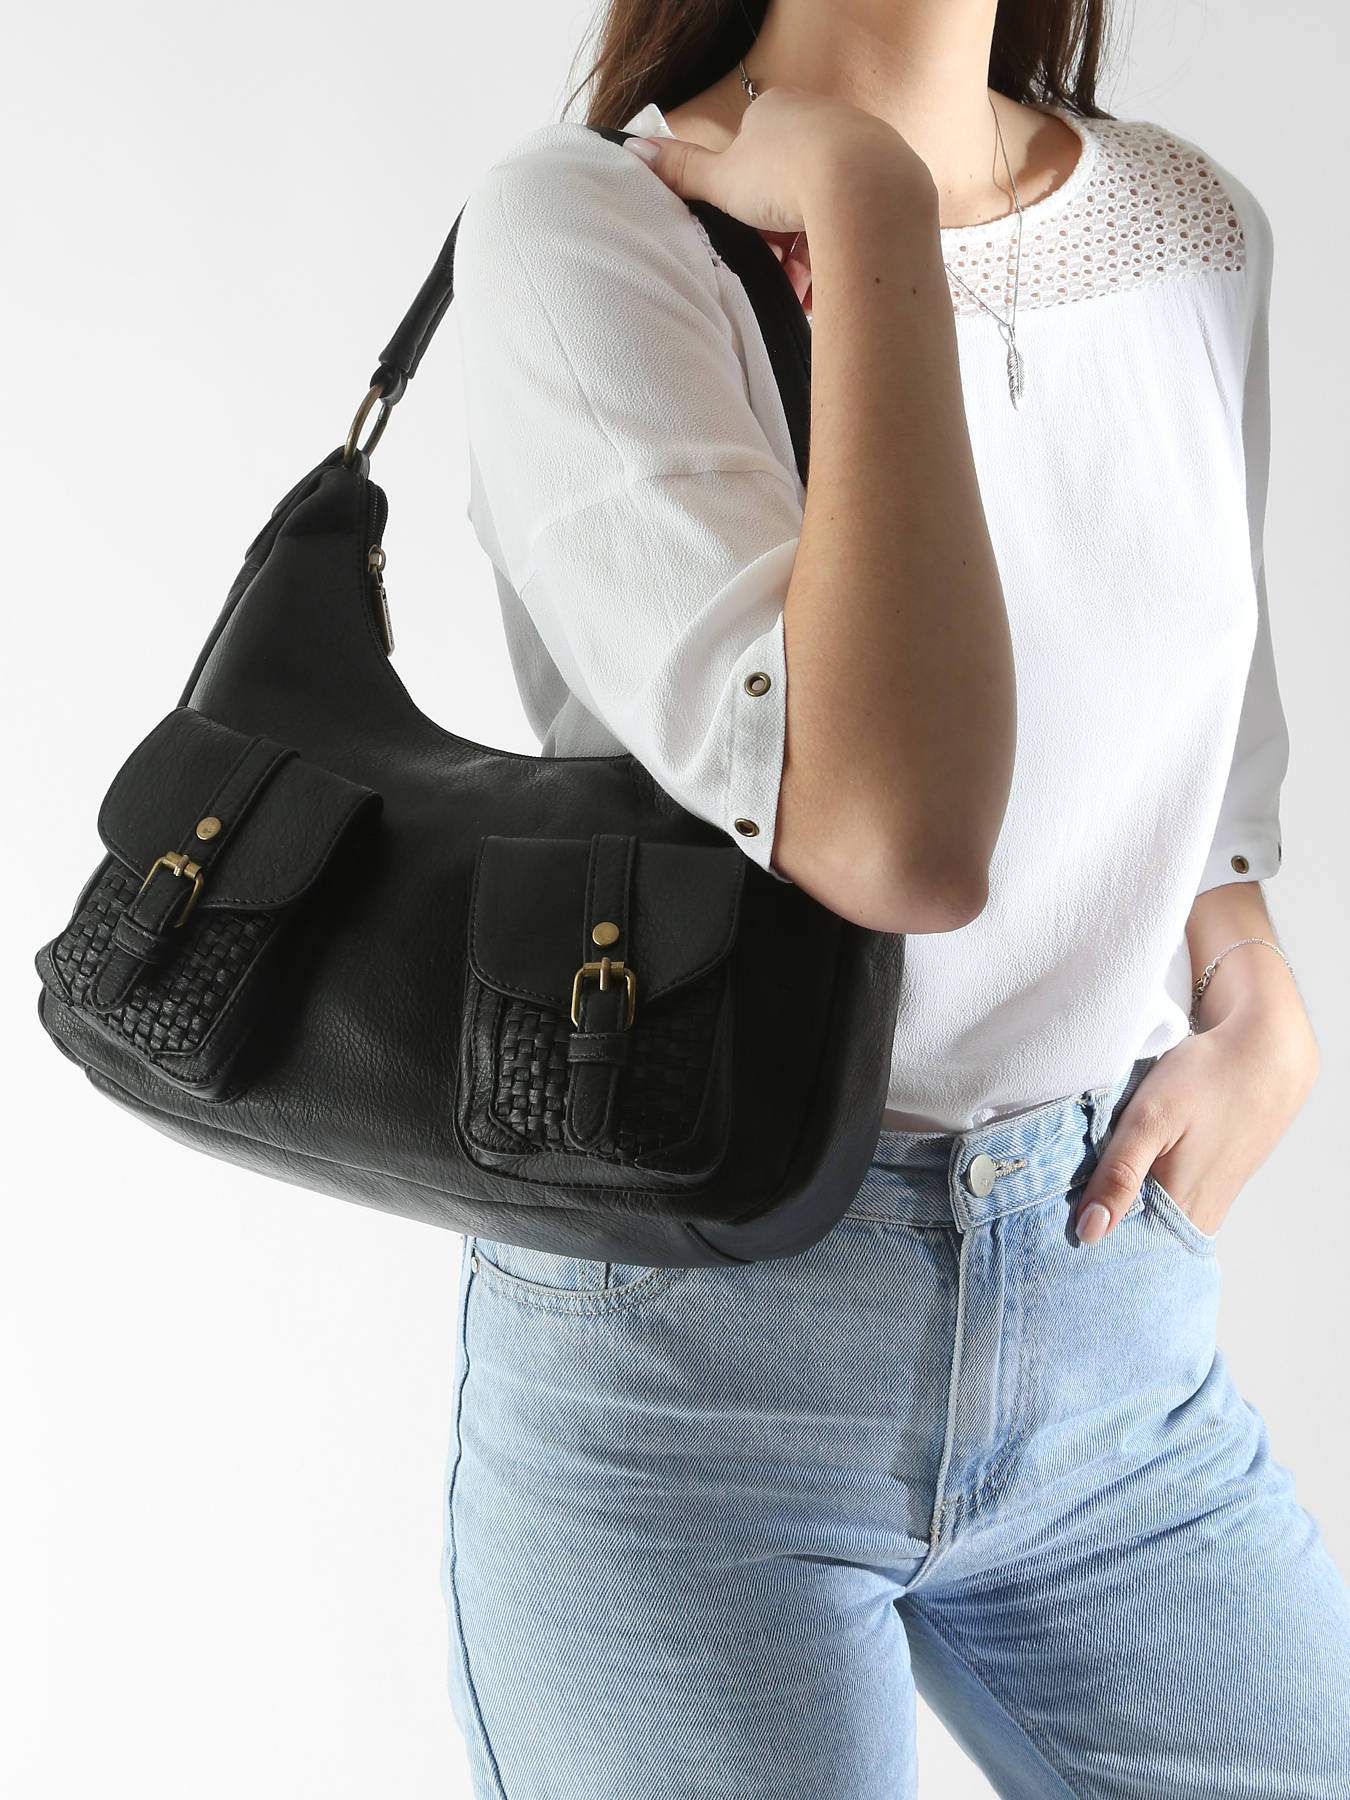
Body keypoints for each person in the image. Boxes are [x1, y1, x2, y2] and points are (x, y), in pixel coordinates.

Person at [440, 1, 1350, 1792]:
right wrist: (865, 210)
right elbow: (890, 832)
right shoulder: (596, 225)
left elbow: (1200, 739)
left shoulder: (1188, 226)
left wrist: (1253, 985)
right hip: (695, 1357)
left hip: (1109, 1326)